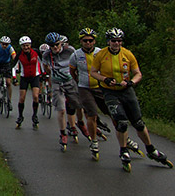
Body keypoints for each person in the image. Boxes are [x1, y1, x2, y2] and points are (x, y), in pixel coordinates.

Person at [89, 28, 173, 171]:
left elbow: (137, 73)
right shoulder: (101, 55)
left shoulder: (127, 54)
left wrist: (131, 82)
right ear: (108, 41)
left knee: (138, 123)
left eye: (119, 41)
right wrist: (105, 79)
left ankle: (151, 149)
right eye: (113, 41)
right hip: (109, 91)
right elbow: (93, 72)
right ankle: (124, 151)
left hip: (126, 90)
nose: (116, 43)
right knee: (121, 122)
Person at [40, 32, 81, 152]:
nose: (55, 48)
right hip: (57, 82)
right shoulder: (47, 55)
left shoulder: (70, 50)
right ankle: (63, 134)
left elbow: (77, 64)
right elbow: (46, 68)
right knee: (61, 109)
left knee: (76, 105)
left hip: (70, 80)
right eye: (52, 46)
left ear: (61, 43)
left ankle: (75, 125)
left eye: (57, 44)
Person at [70, 28, 105, 159]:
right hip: (84, 87)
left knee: (112, 112)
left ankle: (124, 135)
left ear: (94, 41)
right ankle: (94, 141)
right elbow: (72, 70)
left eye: (90, 40)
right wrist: (78, 81)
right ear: (81, 41)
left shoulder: (100, 52)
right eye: (85, 41)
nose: (88, 43)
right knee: (92, 114)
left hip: (100, 86)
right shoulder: (76, 55)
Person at [13, 36, 43, 129]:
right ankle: (20, 116)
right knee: (22, 98)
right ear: (21, 46)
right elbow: (13, 67)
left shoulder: (36, 52)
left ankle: (35, 116)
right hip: (24, 77)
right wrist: (14, 77)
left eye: (27, 45)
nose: (26, 47)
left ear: (30, 45)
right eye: (24, 46)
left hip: (35, 76)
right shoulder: (19, 55)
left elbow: (42, 63)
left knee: (35, 96)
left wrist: (44, 73)